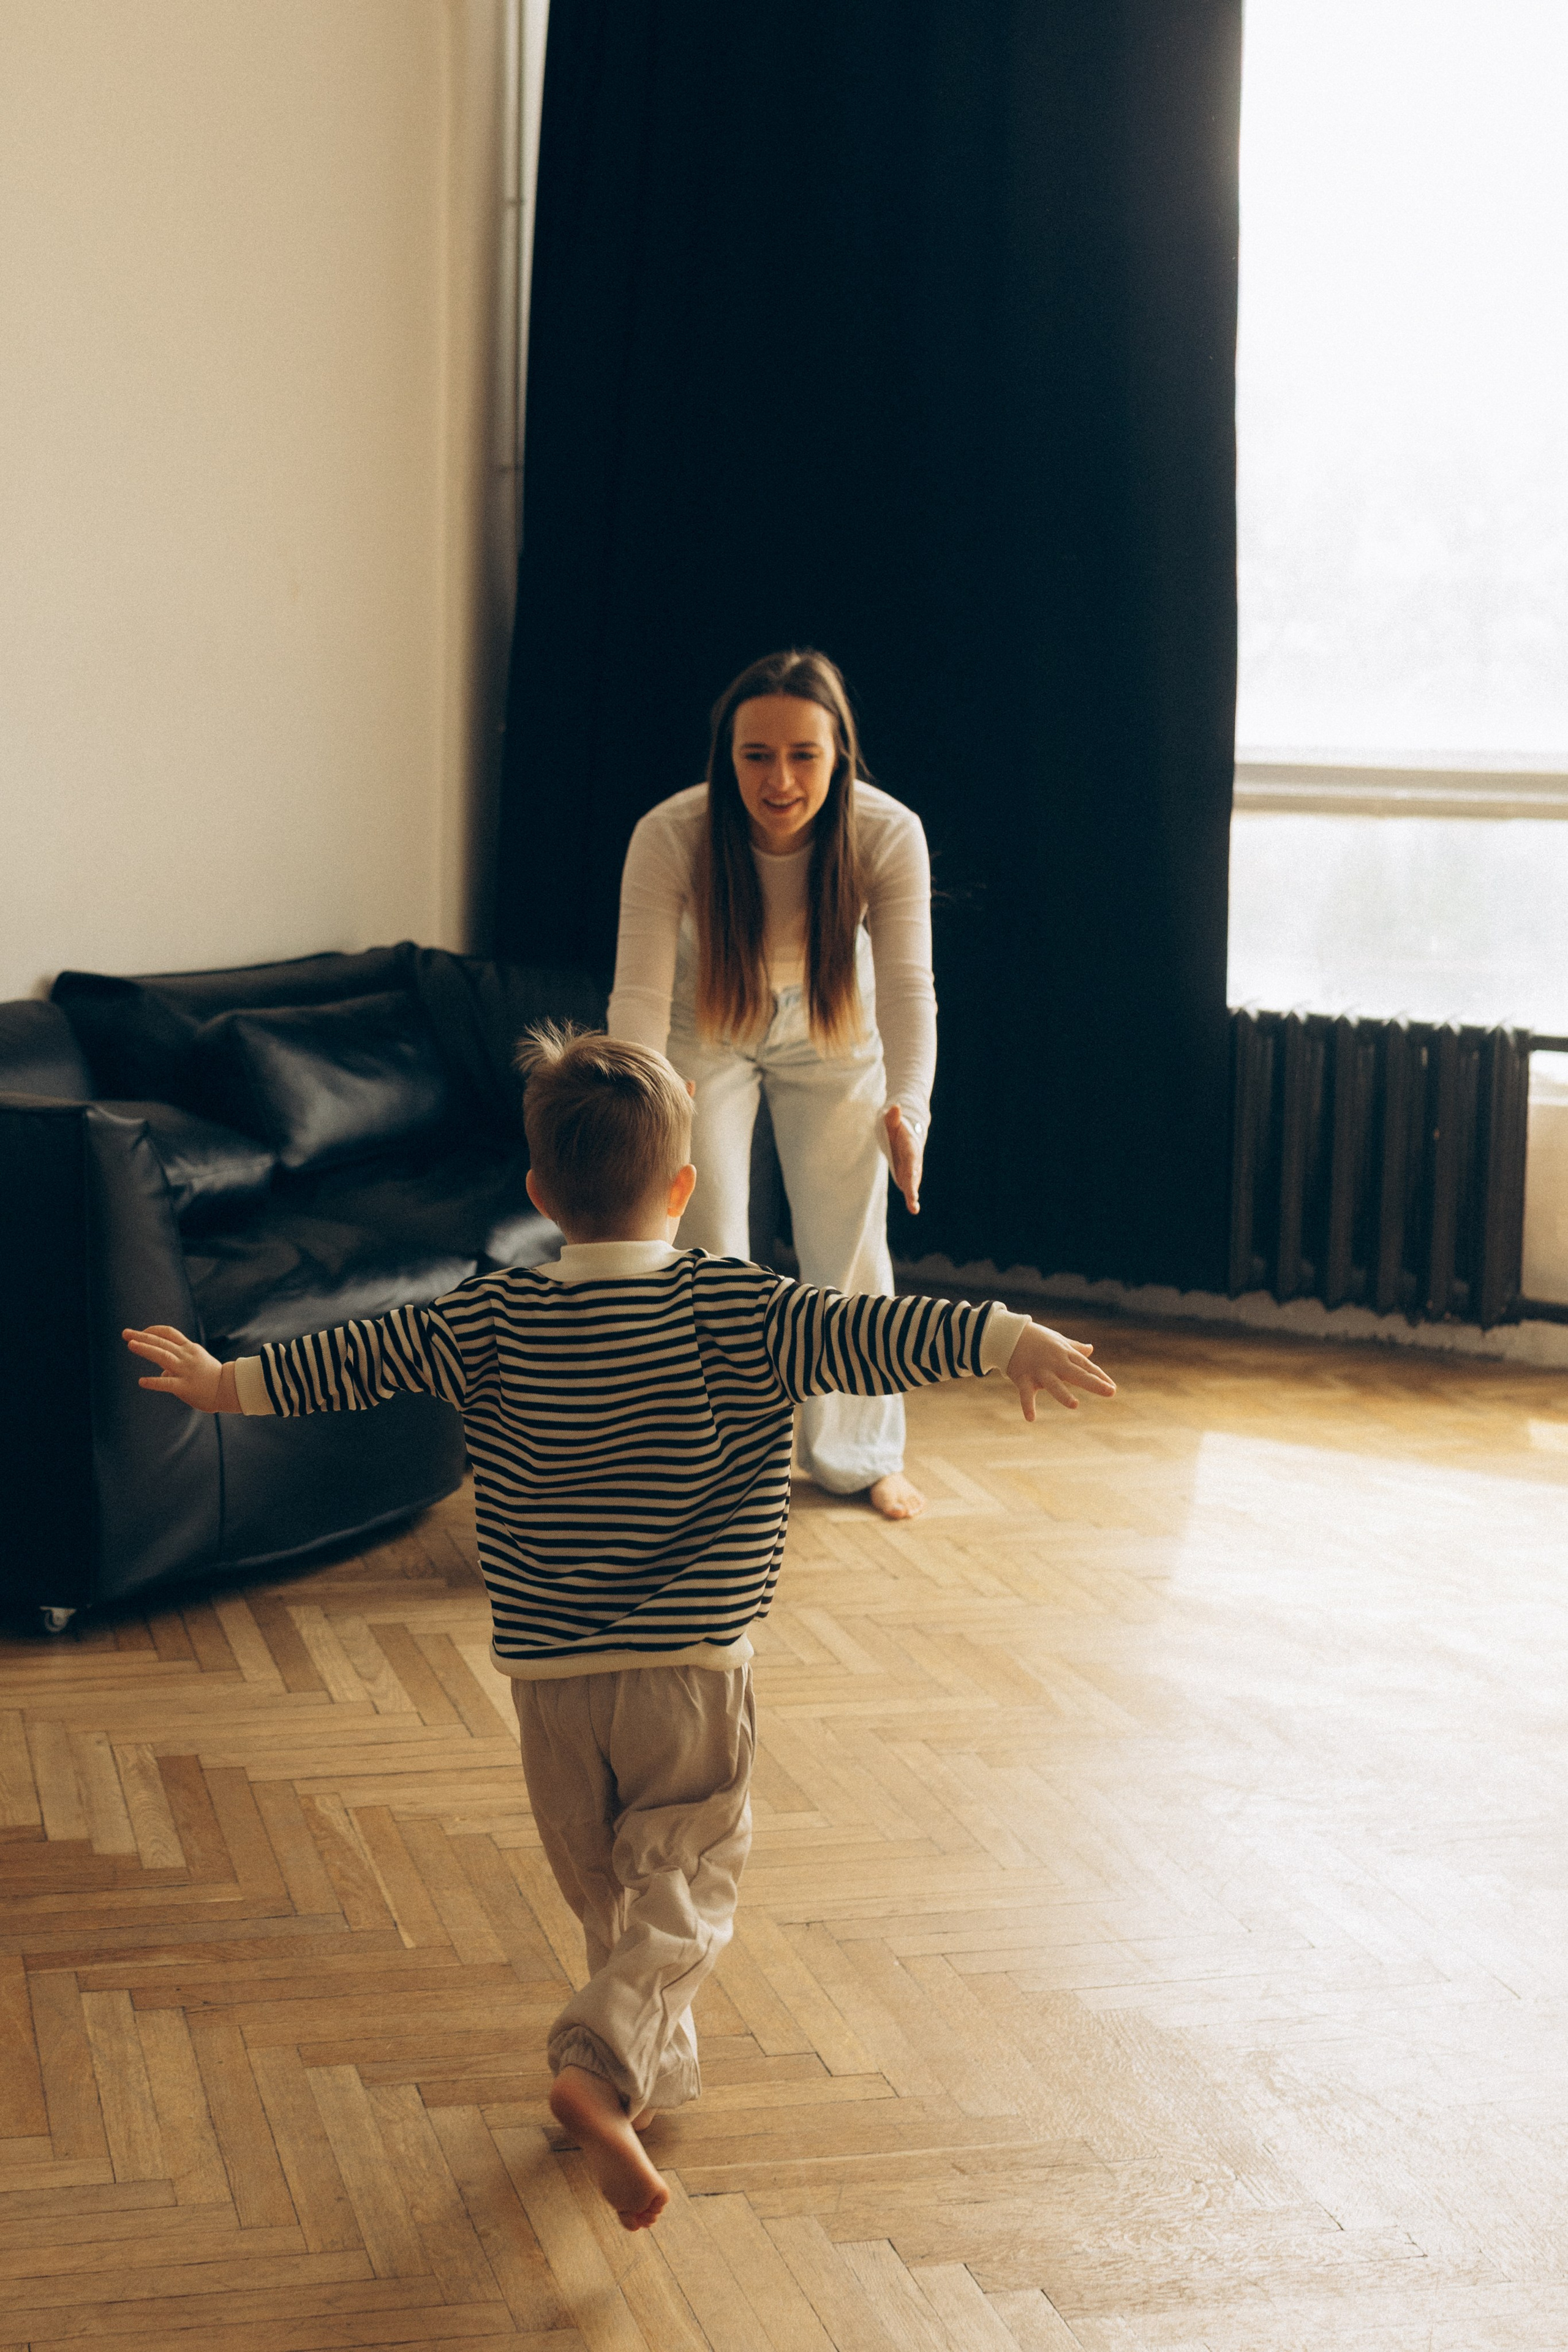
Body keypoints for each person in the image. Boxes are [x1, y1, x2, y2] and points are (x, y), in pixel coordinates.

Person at [123, 1027, 1115, 2233]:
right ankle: (599, 2070)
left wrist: (225, 1382)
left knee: (617, 1903)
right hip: (689, 1677)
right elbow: (879, 1328)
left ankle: (634, 2077)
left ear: (540, 1196)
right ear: (684, 1188)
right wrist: (1014, 1335)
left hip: (549, 1688)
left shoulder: (484, 1316)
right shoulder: (739, 1308)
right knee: (684, 1887)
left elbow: (354, 1358)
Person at [609, 647, 939, 1522]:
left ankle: (859, 1455)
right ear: (728, 758)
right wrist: (644, 1110)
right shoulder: (671, 833)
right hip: (701, 1026)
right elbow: (637, 995)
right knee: (705, 1240)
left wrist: (910, 1106)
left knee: (848, 1245)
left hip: (835, 1027)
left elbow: (908, 989)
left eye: (804, 755)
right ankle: (714, 1464)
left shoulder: (886, 832)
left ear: (840, 757)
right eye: (756, 756)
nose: (780, 779)